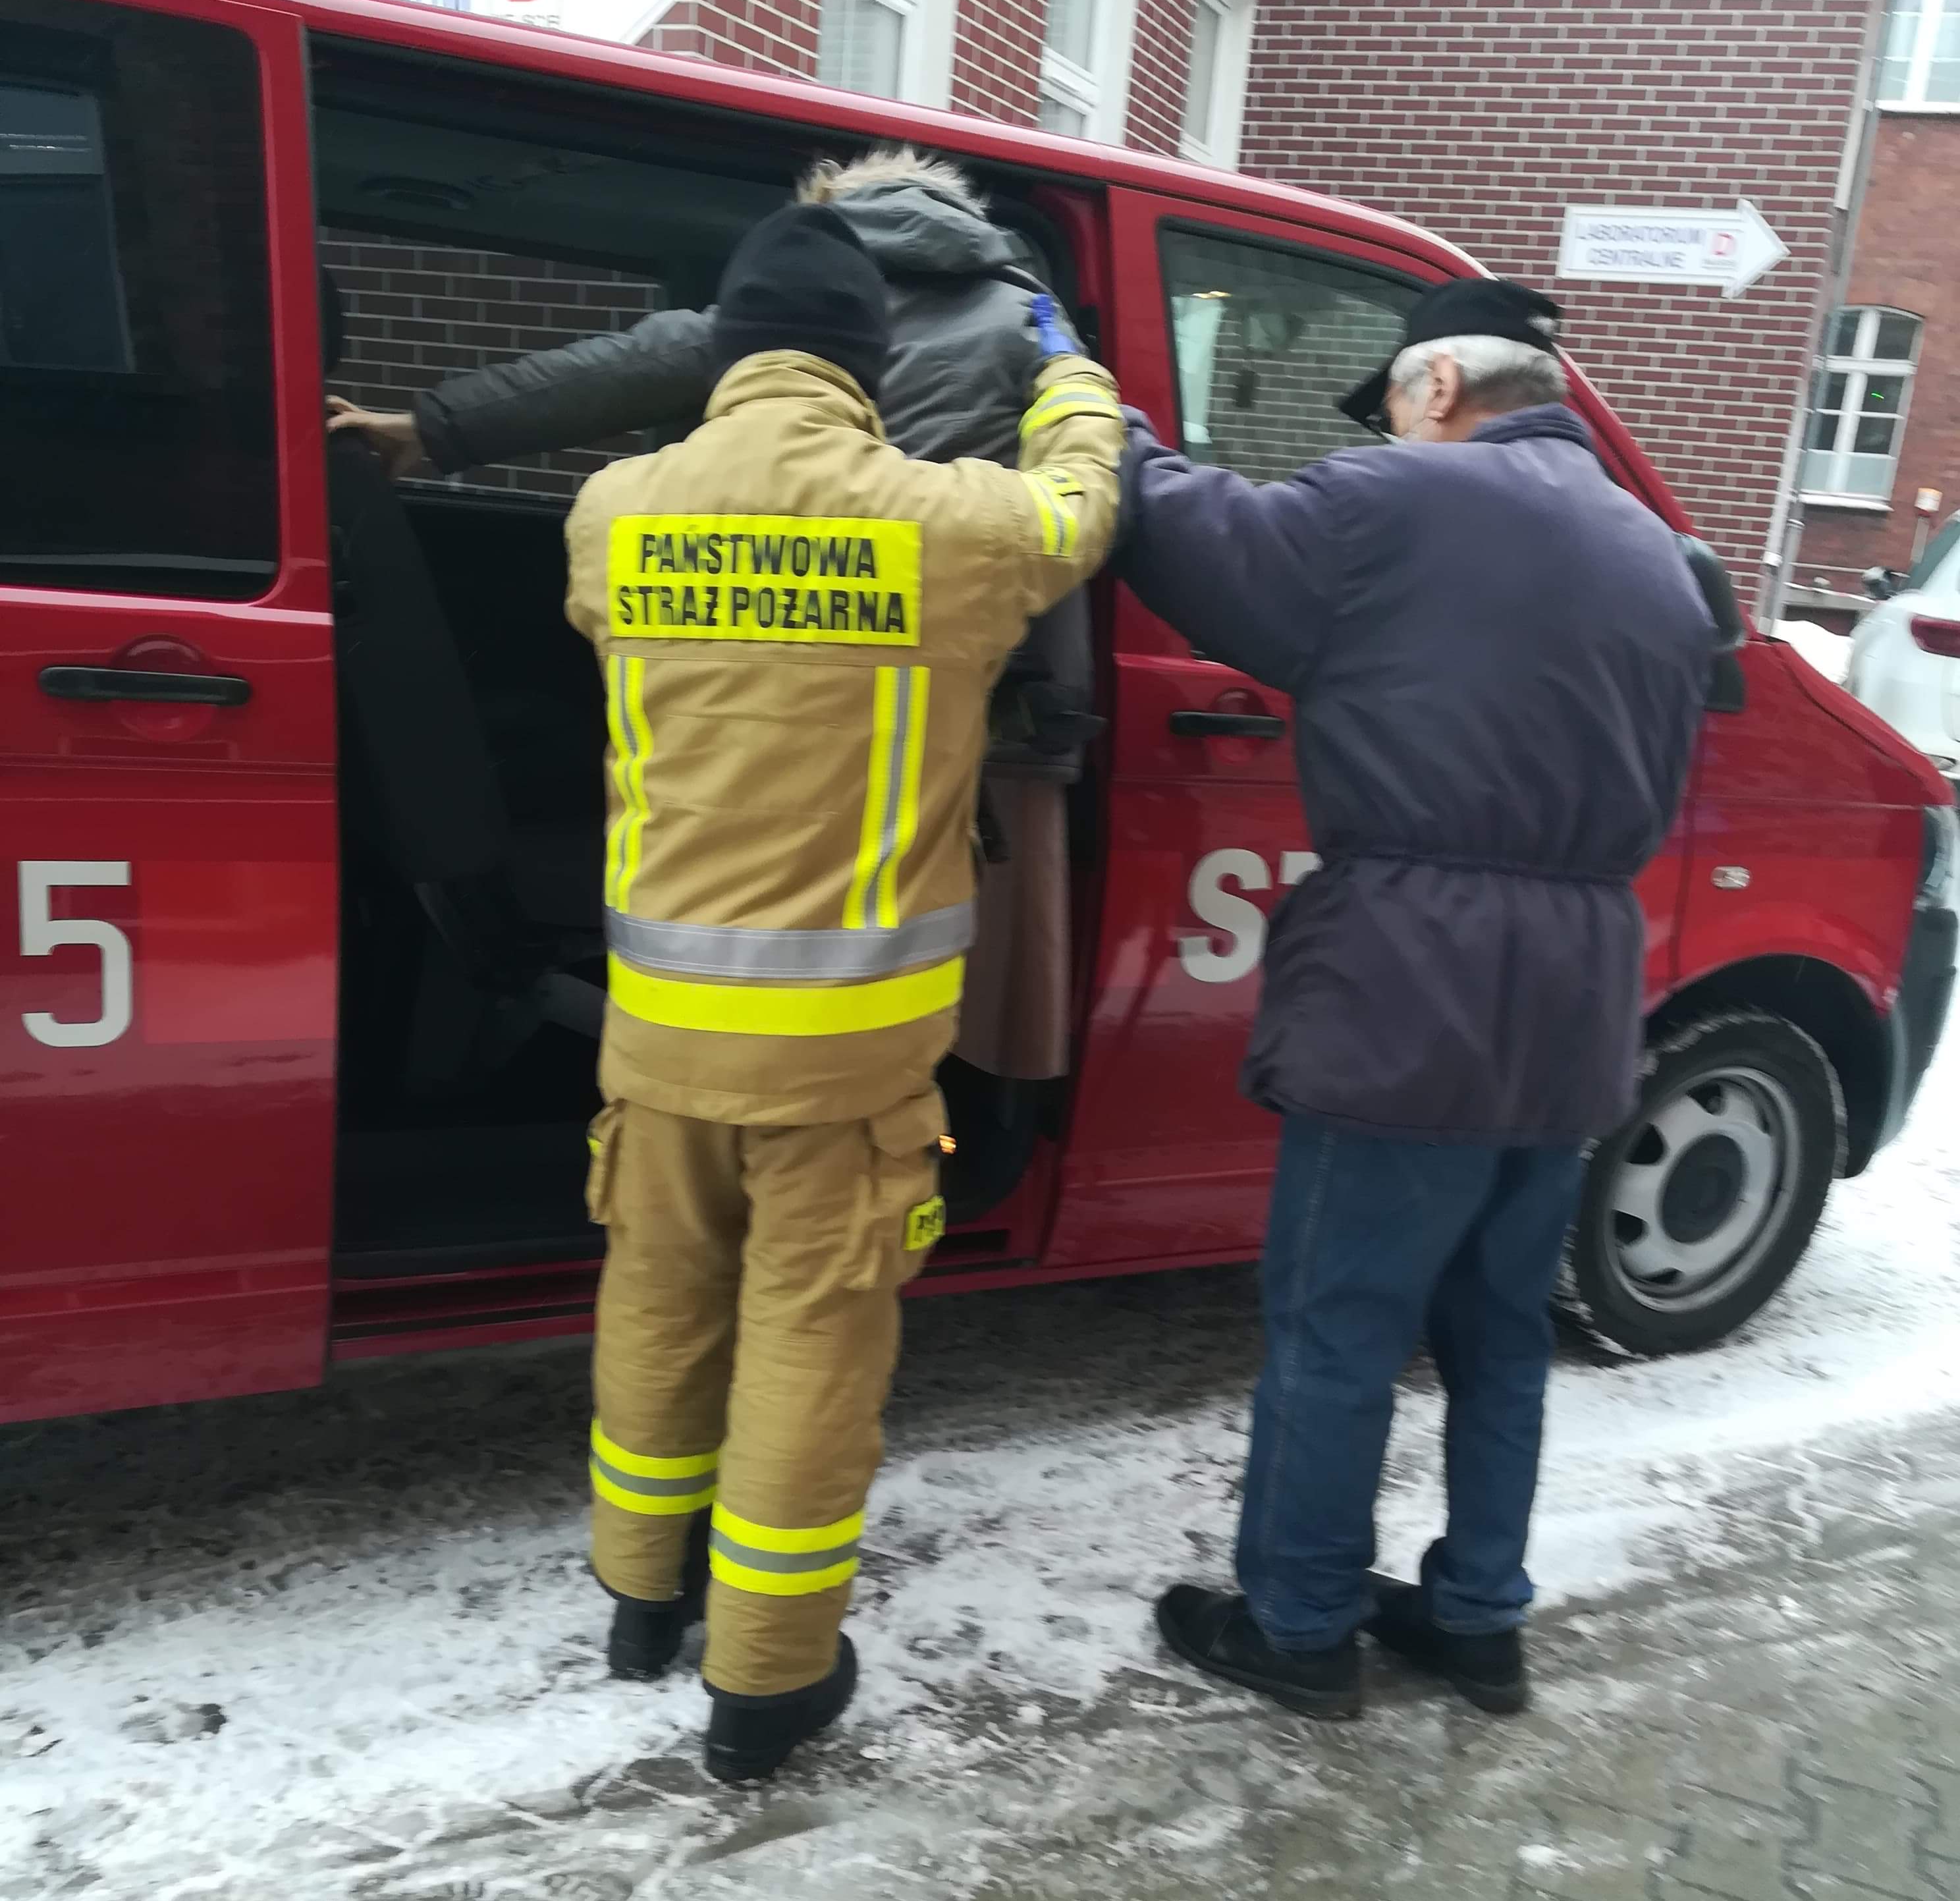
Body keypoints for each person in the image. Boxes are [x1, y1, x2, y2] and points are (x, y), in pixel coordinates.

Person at [566, 200, 1124, 1782]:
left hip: (660, 1031)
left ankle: (639, 1599)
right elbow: (1085, 507)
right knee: (811, 1343)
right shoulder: (950, 524)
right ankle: (768, 1682)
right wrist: (1065, 371)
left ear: (729, 354)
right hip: (850, 1053)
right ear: (869, 365)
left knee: (660, 1302)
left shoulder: (614, 514)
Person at [1116, 277, 1715, 1721]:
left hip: (1414, 977)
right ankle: (1476, 1619)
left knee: (1341, 1323)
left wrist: (1102, 417)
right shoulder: (1663, 555)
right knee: (1503, 1328)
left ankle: (1302, 1625)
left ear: (1438, 382)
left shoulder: (1396, 505)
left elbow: (1191, 533)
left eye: (1391, 399)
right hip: (1578, 987)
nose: (1390, 426)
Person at [329, 146, 1096, 1081]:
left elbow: (621, 366)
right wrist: (1080, 383)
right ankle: (947, 1088)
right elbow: (1078, 505)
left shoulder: (667, 445)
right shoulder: (1025, 319)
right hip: (929, 665)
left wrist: (431, 431)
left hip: (746, 711)